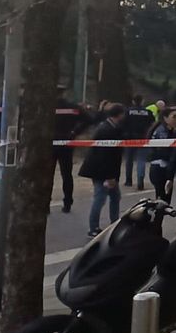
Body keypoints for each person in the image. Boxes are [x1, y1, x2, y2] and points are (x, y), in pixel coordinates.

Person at [78, 103, 126, 237]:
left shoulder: (109, 127)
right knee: (100, 198)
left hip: (103, 170)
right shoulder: (107, 130)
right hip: (102, 171)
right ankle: (94, 227)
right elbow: (105, 156)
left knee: (114, 196)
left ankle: (114, 223)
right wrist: (110, 176)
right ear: (119, 115)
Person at [54, 87, 89, 214]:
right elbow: (88, 119)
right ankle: (67, 202)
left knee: (46, 175)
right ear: (63, 93)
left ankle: (45, 204)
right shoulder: (73, 107)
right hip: (67, 143)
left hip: (49, 143)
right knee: (66, 174)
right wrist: (75, 132)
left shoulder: (45, 107)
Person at [146, 105, 176, 202]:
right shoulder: (161, 132)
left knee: (165, 201)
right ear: (165, 118)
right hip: (160, 169)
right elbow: (164, 151)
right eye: (174, 117)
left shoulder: (173, 131)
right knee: (162, 201)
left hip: (166, 168)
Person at [122, 95, 153, 190]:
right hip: (143, 139)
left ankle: (128, 180)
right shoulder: (148, 112)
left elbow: (123, 123)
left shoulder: (128, 112)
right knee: (141, 160)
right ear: (143, 101)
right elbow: (152, 124)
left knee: (129, 160)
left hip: (130, 139)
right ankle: (140, 181)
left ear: (133, 101)